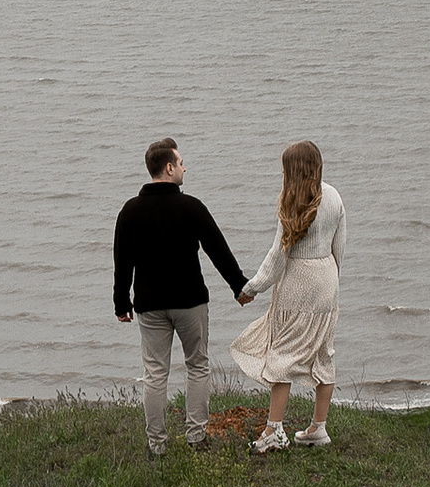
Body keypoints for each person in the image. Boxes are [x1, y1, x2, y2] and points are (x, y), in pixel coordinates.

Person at [112, 136, 250, 456]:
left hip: (149, 305)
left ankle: (157, 446)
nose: (185, 168)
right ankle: (196, 437)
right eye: (182, 162)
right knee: (198, 366)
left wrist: (122, 303)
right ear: (169, 167)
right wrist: (238, 286)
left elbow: (122, 262)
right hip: (190, 302)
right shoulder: (191, 207)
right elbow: (218, 250)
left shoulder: (130, 211)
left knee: (155, 374)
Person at [231, 139, 346, 452]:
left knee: (281, 355)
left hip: (298, 283)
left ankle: (274, 431)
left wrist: (250, 288)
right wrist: (333, 283)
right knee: (324, 352)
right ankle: (318, 428)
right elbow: (340, 249)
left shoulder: (290, 201)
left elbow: (276, 258)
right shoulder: (334, 196)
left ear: (291, 170)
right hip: (327, 281)